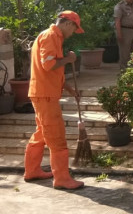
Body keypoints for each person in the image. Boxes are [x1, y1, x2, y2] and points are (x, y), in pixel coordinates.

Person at [24, 11, 85, 189]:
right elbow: (49, 65)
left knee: (42, 133)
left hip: (42, 92)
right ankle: (62, 179)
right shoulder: (51, 36)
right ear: (68, 24)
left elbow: (52, 70)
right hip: (45, 95)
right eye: (74, 29)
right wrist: (68, 59)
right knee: (57, 136)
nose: (73, 33)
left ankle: (32, 170)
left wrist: (69, 89)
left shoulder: (52, 37)